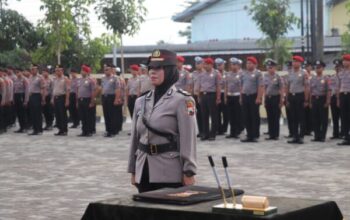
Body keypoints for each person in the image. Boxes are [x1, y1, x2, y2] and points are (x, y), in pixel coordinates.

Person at [127, 49, 197, 193]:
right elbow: (135, 139)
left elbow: (188, 139)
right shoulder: (141, 101)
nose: (152, 71)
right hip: (144, 169)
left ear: (170, 70)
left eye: (158, 68)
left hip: (169, 172)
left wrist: (189, 171)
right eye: (150, 68)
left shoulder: (183, 100)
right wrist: (133, 169)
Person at [286, 56, 310, 144]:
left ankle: (301, 137)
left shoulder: (304, 73)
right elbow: (287, 86)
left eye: (296, 61)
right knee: (293, 118)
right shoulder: (289, 73)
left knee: (301, 117)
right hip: (291, 96)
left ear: (300, 63)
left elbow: (307, 86)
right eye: (293, 61)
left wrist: (306, 99)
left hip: (300, 96)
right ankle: (295, 136)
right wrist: (287, 99)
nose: (294, 63)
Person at [240, 56, 264, 142]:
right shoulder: (243, 73)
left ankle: (255, 135)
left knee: (254, 116)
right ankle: (249, 135)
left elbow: (260, 86)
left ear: (255, 64)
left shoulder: (258, 73)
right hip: (245, 96)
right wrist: (241, 97)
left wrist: (259, 97)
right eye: (247, 63)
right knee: (246, 117)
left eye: (250, 63)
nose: (248, 65)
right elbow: (241, 86)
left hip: (254, 96)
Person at [197, 57, 221, 141]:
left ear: (211, 65)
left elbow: (218, 86)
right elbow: (200, 86)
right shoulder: (201, 74)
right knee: (204, 115)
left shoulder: (216, 73)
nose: (205, 66)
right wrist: (199, 97)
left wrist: (218, 97)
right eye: (204, 64)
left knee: (213, 116)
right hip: (203, 95)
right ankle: (205, 134)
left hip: (212, 95)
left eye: (206, 64)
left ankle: (212, 134)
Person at [309, 60, 330, 142]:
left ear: (323, 68)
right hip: (314, 99)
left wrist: (327, 101)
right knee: (315, 118)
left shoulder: (326, 78)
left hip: (322, 99)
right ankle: (316, 136)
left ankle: (322, 136)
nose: (317, 69)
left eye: (319, 67)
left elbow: (329, 90)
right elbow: (311, 91)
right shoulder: (312, 78)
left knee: (323, 119)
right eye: (316, 68)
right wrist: (310, 101)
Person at [263, 59, 284, 140]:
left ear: (275, 68)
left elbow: (282, 89)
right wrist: (264, 99)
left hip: (276, 98)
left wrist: (281, 100)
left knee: (276, 117)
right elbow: (265, 88)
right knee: (270, 117)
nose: (269, 69)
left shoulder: (278, 77)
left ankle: (276, 135)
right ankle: (271, 134)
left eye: (271, 67)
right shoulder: (265, 76)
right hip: (268, 98)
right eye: (268, 67)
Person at [101, 63, 122, 137]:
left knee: (112, 115)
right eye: (104, 70)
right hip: (105, 97)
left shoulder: (115, 78)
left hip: (111, 97)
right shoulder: (103, 78)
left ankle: (113, 131)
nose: (105, 71)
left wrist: (116, 99)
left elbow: (118, 89)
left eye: (107, 70)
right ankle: (108, 130)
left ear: (111, 70)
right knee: (106, 115)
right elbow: (103, 88)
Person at [225, 57, 243, 139]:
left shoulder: (240, 75)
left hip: (237, 96)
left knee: (237, 115)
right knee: (230, 115)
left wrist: (241, 97)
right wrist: (225, 96)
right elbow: (226, 86)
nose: (233, 66)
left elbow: (241, 87)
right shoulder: (228, 74)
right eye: (232, 64)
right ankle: (232, 132)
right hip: (229, 96)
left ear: (238, 65)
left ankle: (237, 132)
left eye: (235, 64)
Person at [77, 64, 97, 137]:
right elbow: (78, 90)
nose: (81, 72)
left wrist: (92, 101)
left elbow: (93, 91)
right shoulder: (79, 80)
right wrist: (77, 101)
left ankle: (89, 131)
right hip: (80, 100)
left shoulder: (91, 80)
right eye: (81, 70)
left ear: (86, 72)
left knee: (88, 116)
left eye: (83, 70)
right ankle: (84, 131)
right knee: (82, 117)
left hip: (87, 99)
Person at [52, 65, 70, 136]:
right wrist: (52, 99)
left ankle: (64, 130)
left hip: (62, 98)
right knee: (57, 115)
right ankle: (60, 129)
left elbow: (68, 90)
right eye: (56, 70)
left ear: (62, 71)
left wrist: (67, 100)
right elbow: (54, 90)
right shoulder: (55, 79)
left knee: (63, 115)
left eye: (59, 70)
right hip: (56, 98)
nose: (57, 72)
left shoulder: (65, 79)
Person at [28, 64, 45, 135]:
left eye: (34, 69)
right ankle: (35, 129)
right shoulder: (30, 77)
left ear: (37, 70)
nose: (32, 70)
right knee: (33, 113)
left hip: (37, 96)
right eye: (31, 69)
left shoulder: (40, 77)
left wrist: (43, 99)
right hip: (31, 96)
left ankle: (39, 129)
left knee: (37, 113)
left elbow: (42, 88)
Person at [337, 54, 350, 145]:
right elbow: (338, 86)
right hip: (343, 95)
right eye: (344, 60)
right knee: (344, 117)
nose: (344, 62)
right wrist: (338, 99)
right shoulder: (340, 73)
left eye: (347, 60)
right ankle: (346, 137)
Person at [329, 59, 343, 139]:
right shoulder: (332, 77)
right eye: (336, 67)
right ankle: (335, 133)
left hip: (342, 97)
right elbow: (330, 88)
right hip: (333, 97)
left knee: (343, 116)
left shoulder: (344, 76)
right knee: (335, 117)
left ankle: (343, 133)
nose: (337, 68)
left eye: (339, 67)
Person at [215, 57, 229, 135]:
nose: (220, 66)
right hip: (217, 94)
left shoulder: (227, 74)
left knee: (226, 113)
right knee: (217, 112)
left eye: (221, 65)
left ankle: (224, 128)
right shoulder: (215, 73)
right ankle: (218, 128)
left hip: (225, 94)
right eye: (218, 65)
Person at [13, 68, 29, 133]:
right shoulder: (15, 79)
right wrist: (13, 98)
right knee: (18, 113)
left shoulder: (24, 79)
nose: (17, 73)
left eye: (18, 72)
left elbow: (27, 90)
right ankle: (21, 127)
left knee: (23, 113)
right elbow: (14, 90)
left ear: (21, 72)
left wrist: (26, 100)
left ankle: (25, 127)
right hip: (16, 96)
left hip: (22, 96)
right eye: (16, 72)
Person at [192, 56, 204, 138]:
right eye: (196, 64)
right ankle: (200, 130)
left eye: (199, 63)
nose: (198, 65)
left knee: (203, 114)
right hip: (195, 95)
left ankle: (204, 131)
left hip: (203, 95)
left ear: (203, 64)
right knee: (196, 114)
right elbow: (191, 85)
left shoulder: (205, 73)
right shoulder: (193, 74)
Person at [0, 67, 7, 134]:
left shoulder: (1, 80)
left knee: (1, 113)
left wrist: (3, 100)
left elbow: (4, 91)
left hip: (1, 97)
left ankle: (3, 127)